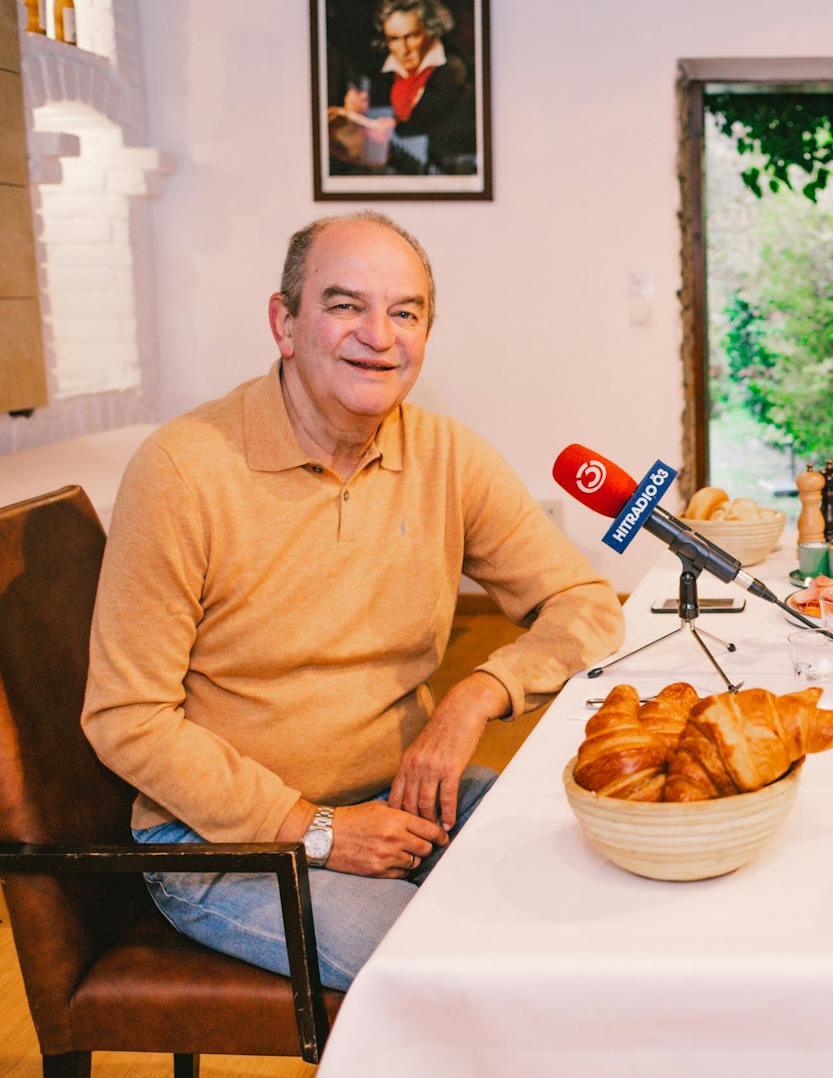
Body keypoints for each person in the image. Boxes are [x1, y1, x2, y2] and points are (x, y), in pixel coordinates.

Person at [81, 211, 625, 990]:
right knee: (453, 973)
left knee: (601, 881)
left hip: (402, 798)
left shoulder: (447, 455)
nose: (379, 334)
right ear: (285, 322)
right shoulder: (181, 470)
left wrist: (476, 695)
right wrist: (317, 831)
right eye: (344, 305)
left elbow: (585, 603)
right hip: (225, 842)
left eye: (405, 312)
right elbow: (125, 716)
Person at [372, 0, 478, 174]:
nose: (404, 49)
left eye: (413, 36)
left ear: (432, 31)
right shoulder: (381, 78)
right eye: (394, 39)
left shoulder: (457, 74)